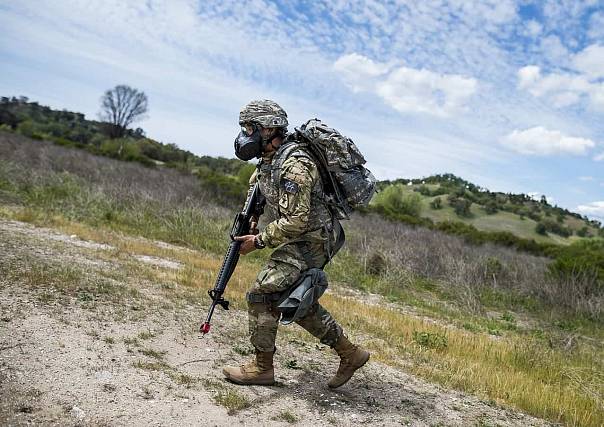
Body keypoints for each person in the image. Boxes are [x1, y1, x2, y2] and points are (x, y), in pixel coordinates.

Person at [222, 100, 370, 388]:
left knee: (262, 293)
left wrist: (260, 240)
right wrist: (251, 218)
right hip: (301, 236)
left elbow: (296, 221)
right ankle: (350, 353)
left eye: (250, 127)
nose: (245, 134)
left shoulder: (295, 165)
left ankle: (261, 368)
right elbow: (258, 193)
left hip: (312, 239)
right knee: (290, 299)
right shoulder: (269, 161)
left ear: (267, 128)